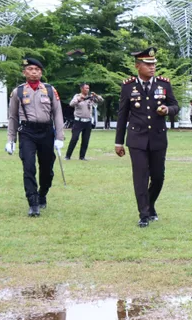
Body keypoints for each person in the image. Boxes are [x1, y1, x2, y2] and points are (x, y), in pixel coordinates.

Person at [115, 47, 179, 228]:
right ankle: (143, 214)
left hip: (158, 138)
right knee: (141, 177)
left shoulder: (164, 85)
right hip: (137, 138)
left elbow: (175, 105)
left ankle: (150, 204)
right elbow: (122, 115)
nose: (152, 67)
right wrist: (118, 142)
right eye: (148, 64)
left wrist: (168, 110)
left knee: (158, 177)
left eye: (154, 64)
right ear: (138, 66)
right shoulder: (128, 87)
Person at [5, 58, 65, 217]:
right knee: (29, 167)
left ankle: (42, 194)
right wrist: (11, 139)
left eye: (37, 69)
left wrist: (60, 137)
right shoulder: (17, 92)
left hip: (46, 132)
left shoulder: (50, 90)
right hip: (27, 132)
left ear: (41, 72)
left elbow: (58, 114)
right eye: (30, 69)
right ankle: (33, 203)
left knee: (47, 170)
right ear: (24, 72)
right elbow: (12, 117)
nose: (34, 72)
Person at [66, 83, 103, 161]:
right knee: (74, 138)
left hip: (88, 122)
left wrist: (96, 95)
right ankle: (68, 156)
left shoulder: (91, 98)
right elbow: (71, 104)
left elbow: (101, 100)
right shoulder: (77, 96)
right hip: (78, 121)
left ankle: (82, 156)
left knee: (85, 140)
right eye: (86, 88)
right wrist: (79, 99)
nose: (88, 90)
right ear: (82, 89)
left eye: (88, 88)